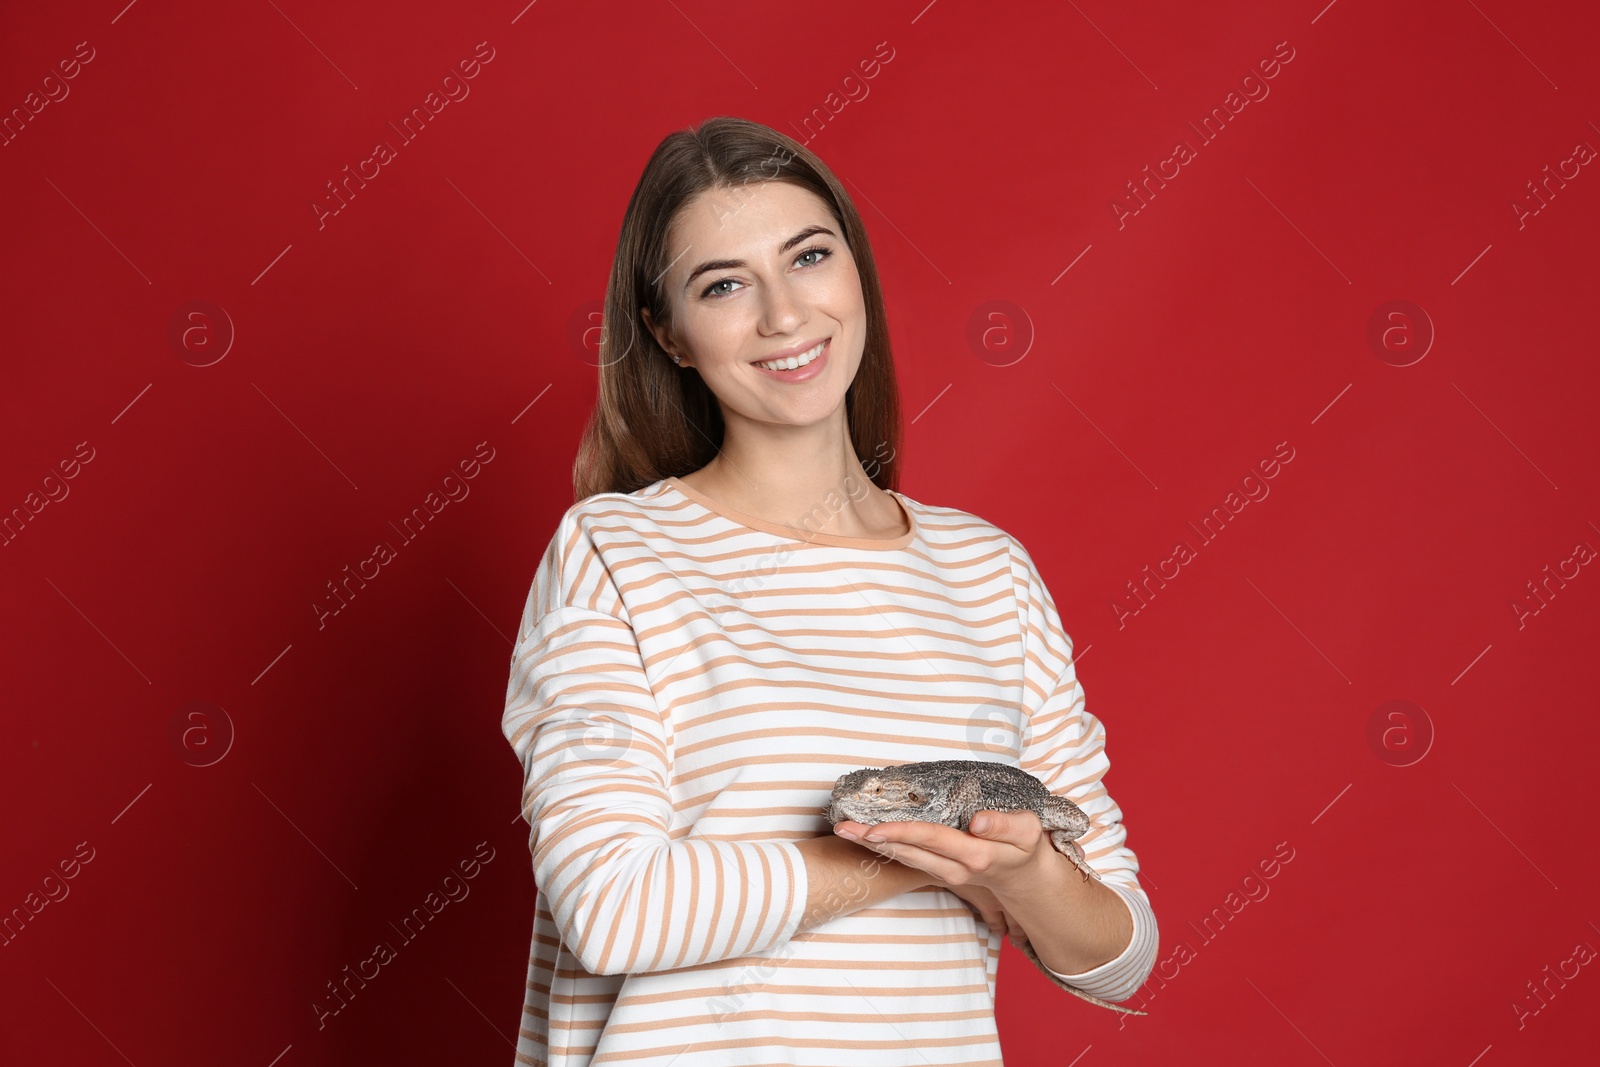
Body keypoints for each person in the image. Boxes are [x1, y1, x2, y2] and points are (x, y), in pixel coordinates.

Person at [501, 115, 1157, 1067]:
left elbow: (1117, 954)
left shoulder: (989, 571)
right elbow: (615, 909)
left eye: (808, 257)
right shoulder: (613, 553)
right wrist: (928, 856)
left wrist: (1024, 873)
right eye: (722, 284)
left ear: (856, 274)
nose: (782, 314)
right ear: (669, 335)